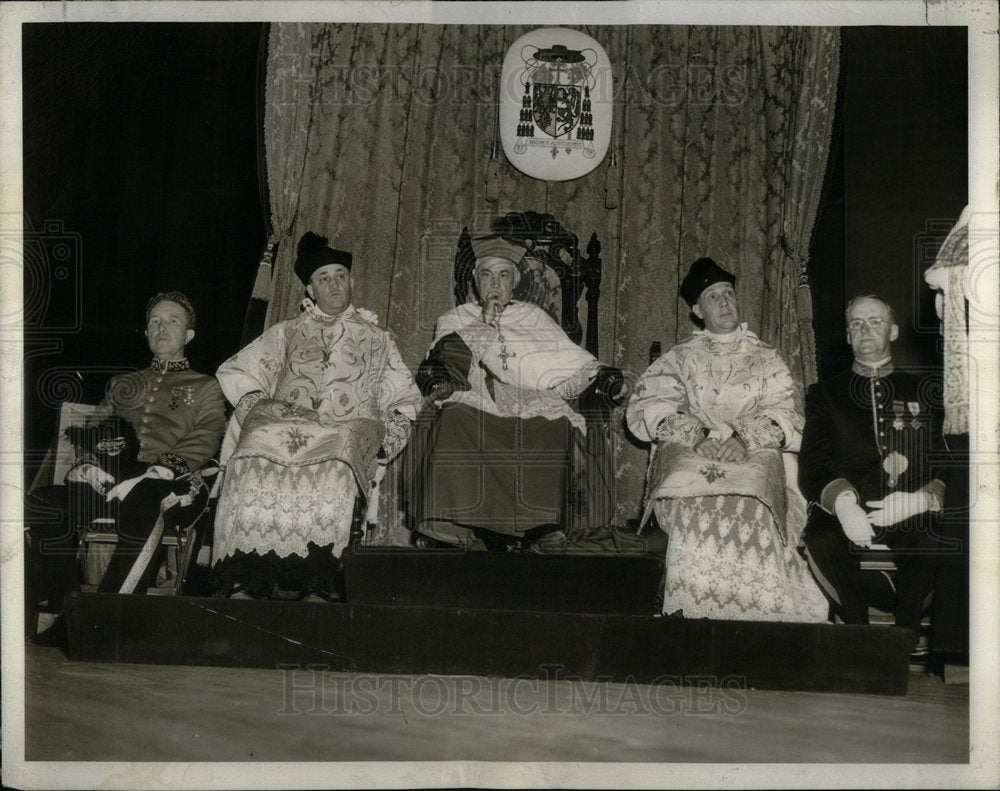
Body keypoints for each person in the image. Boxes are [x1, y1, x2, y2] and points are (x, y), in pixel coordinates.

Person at [212, 232, 422, 601]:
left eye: (340, 275)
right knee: (254, 448)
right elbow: (237, 372)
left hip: (343, 432)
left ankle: (318, 577)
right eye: (323, 278)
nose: (334, 283)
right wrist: (261, 408)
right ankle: (254, 575)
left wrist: (386, 436)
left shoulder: (378, 338)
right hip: (285, 429)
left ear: (352, 281)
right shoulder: (287, 332)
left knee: (339, 458)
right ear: (310, 290)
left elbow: (404, 396)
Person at [626, 257, 827, 621]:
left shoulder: (767, 357)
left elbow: (788, 410)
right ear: (697, 310)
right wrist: (695, 433)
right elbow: (650, 404)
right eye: (713, 296)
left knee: (753, 494)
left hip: (753, 449)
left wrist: (745, 437)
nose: (723, 302)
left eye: (729, 294)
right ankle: (691, 609)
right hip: (694, 448)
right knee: (691, 497)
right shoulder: (680, 358)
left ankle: (758, 610)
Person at [26, 291, 226, 637]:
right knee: (43, 503)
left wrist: (162, 468)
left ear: (189, 336)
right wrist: (91, 465)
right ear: (147, 331)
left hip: (168, 484)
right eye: (155, 322)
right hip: (114, 479)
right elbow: (94, 431)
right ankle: (62, 607)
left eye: (173, 321)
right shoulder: (123, 384)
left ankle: (104, 617)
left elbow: (206, 436)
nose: (162, 328)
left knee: (146, 496)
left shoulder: (207, 386)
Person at [404, 234, 620, 552]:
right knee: (455, 418)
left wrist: (598, 375)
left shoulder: (535, 318)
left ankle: (541, 527)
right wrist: (485, 323)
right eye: (487, 274)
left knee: (558, 426)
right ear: (475, 280)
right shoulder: (455, 319)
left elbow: (569, 371)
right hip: (480, 401)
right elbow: (447, 365)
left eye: (503, 275)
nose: (495, 283)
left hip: (532, 403)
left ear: (515, 281)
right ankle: (467, 523)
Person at [799, 295, 946, 637]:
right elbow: (812, 465)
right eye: (856, 324)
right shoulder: (824, 394)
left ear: (893, 331)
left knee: (933, 540)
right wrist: (843, 504)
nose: (864, 329)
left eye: (875, 321)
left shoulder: (924, 392)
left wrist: (921, 500)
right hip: (851, 510)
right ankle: (858, 635)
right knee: (821, 539)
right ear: (848, 336)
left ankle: (904, 638)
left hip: (907, 509)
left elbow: (944, 459)